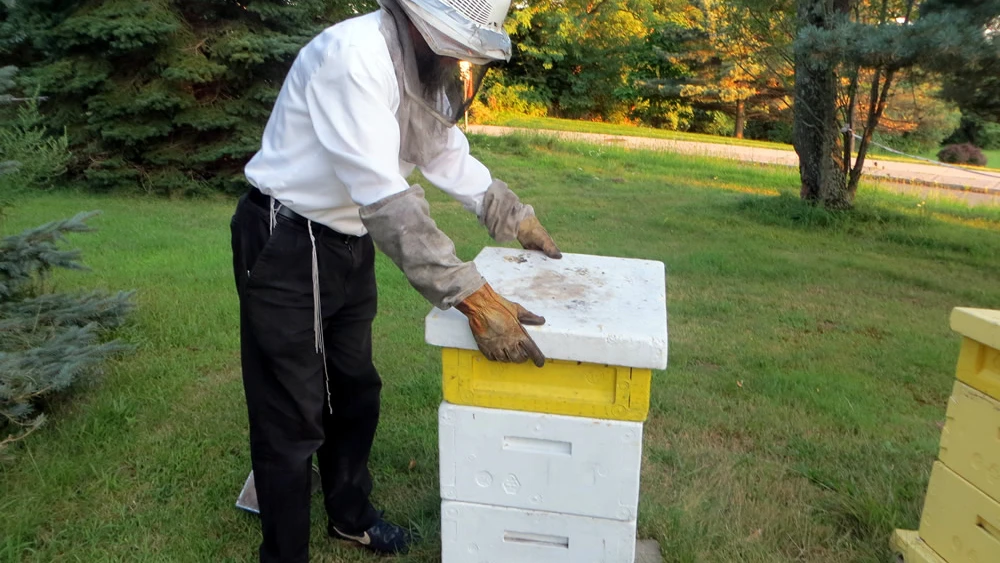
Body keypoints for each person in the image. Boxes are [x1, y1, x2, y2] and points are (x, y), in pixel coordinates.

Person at [228, 0, 562, 560]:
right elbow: (385, 196)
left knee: (356, 390)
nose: (461, 60)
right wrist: (472, 297)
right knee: (291, 411)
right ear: (421, 23)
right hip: (285, 239)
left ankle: (349, 516)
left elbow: (445, 152)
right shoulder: (352, 56)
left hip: (347, 240)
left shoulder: (421, 67)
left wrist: (514, 216)